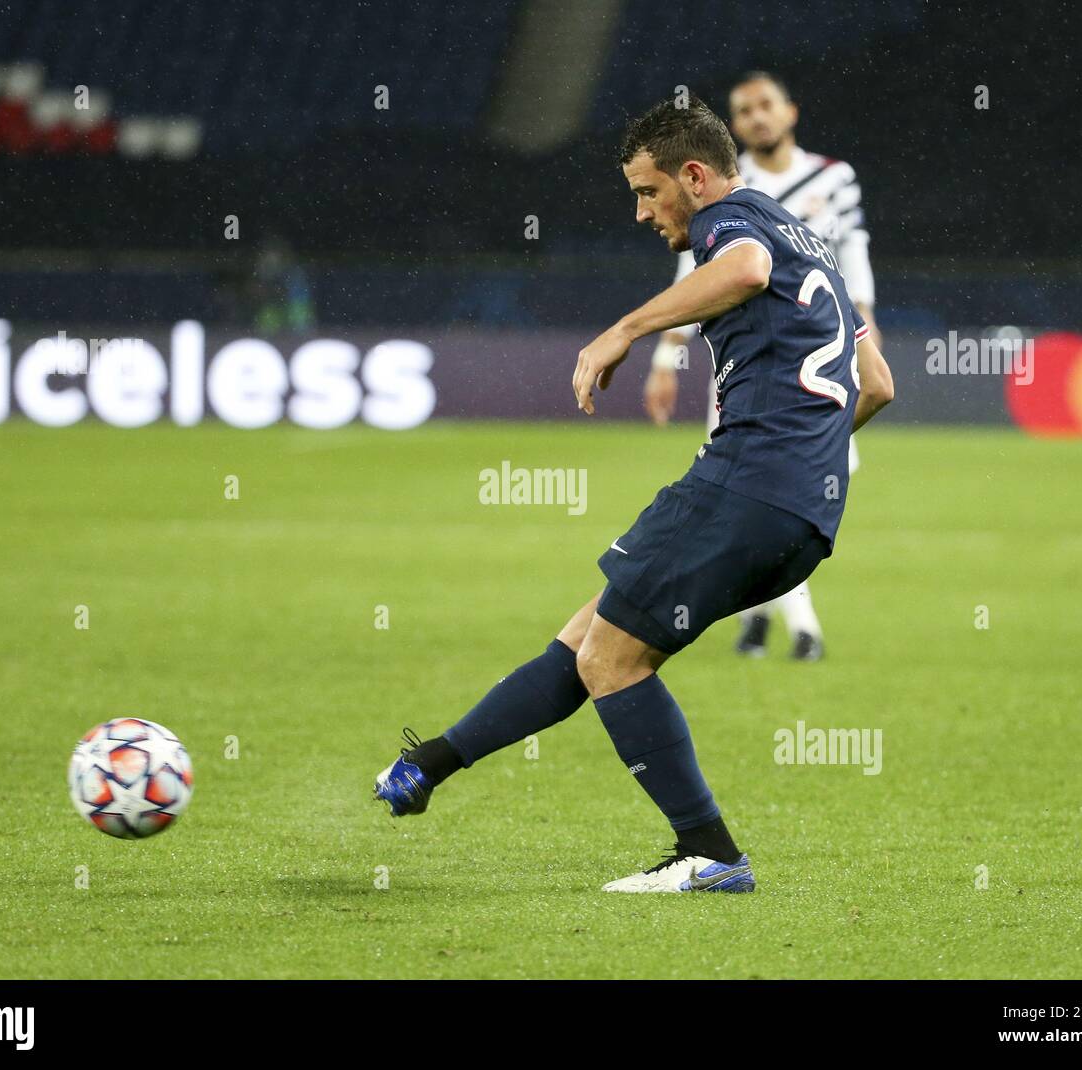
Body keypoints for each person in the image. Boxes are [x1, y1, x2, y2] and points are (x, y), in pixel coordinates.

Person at [374, 98, 894, 893]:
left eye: (649, 192)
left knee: (610, 658)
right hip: (803, 515)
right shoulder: (810, 243)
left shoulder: (736, 224)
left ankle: (711, 853)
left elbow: (746, 270)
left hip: (745, 484)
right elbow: (879, 384)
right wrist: (808, 457)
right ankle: (430, 765)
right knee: (592, 637)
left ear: (694, 175)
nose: (642, 212)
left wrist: (625, 330)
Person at [645, 72, 880, 661]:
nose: (755, 117)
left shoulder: (833, 177)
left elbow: (853, 255)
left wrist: (865, 337)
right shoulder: (726, 192)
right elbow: (696, 279)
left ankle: (758, 619)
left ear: (790, 111)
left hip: (823, 354)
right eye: (743, 110)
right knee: (764, 494)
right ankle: (799, 628)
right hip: (747, 364)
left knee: (779, 493)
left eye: (765, 105)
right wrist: (666, 355)